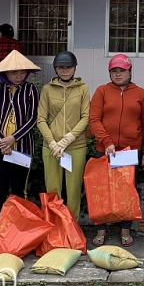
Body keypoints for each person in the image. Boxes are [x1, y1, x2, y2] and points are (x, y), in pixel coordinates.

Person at [89, 54, 144, 247]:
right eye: (114, 71)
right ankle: (101, 230)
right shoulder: (102, 91)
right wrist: (106, 142)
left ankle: (125, 229)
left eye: (122, 71)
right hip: (105, 151)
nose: (118, 75)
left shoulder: (140, 93)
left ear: (129, 72)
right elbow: (94, 120)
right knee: (102, 191)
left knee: (127, 192)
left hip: (130, 152)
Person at [0, 50, 40, 223]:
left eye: (22, 72)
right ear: (5, 72)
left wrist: (13, 138)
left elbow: (34, 117)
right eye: (14, 72)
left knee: (19, 191)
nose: (19, 76)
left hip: (22, 148)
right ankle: (0, 229)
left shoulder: (31, 90)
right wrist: (2, 139)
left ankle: (19, 228)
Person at [37, 51, 90, 221]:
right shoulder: (47, 89)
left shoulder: (83, 88)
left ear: (74, 68)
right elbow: (41, 119)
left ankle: (71, 228)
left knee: (73, 190)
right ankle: (54, 226)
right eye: (61, 67)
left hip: (76, 146)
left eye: (69, 67)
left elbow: (85, 117)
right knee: (53, 189)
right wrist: (53, 143)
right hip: (51, 147)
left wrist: (68, 139)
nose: (65, 70)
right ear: (56, 69)